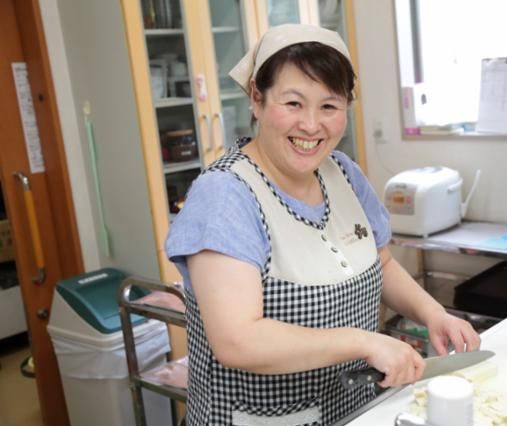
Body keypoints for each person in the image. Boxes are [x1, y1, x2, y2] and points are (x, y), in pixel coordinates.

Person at [165, 23, 480, 426]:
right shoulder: (226, 195)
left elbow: (381, 264)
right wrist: (363, 342)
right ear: (257, 99)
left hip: (354, 412)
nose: (312, 125)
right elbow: (237, 341)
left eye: (329, 106)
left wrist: (435, 314)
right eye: (293, 103)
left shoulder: (343, 173)